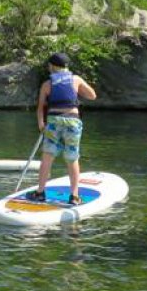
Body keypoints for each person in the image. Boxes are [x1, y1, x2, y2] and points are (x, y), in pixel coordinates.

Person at [26, 52, 97, 205]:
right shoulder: (76, 79)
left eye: (49, 65)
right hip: (72, 121)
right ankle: (74, 196)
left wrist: (41, 124)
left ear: (52, 66)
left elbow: (40, 108)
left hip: (53, 121)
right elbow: (92, 95)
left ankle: (40, 193)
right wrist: (77, 92)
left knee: (47, 157)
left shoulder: (47, 84)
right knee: (72, 158)